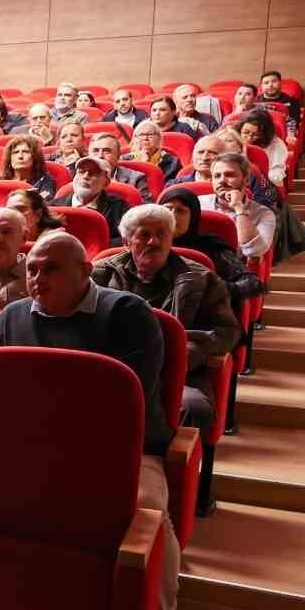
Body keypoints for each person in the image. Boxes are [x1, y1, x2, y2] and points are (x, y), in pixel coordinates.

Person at [0, 231, 183, 610]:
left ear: (85, 272)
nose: (37, 278)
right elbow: (1, 391)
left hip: (124, 446)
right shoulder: (11, 316)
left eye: (51, 269)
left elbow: (124, 399)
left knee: (145, 510)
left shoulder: (126, 314)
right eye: (32, 268)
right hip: (39, 446)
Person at [91, 204, 240, 435]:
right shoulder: (100, 273)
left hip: (174, 373)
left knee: (194, 407)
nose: (153, 242)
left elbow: (226, 330)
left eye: (162, 234)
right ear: (127, 241)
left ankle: (170, 466)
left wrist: (183, 354)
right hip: (113, 369)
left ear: (171, 239)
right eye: (144, 235)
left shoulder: (201, 278)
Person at [159, 188, 264, 310]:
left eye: (181, 211)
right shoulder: (145, 244)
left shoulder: (211, 247)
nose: (172, 215)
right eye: (167, 209)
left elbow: (252, 284)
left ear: (192, 218)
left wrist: (210, 290)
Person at [201, 152, 276, 258]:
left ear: (246, 180)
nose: (222, 180)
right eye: (217, 176)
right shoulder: (198, 204)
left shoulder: (263, 214)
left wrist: (239, 208)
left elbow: (253, 251)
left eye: (230, 175)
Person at [55, 155, 128, 243]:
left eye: (94, 173)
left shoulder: (119, 207)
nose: (85, 176)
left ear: (106, 182)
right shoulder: (54, 206)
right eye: (81, 171)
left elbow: (127, 238)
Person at [237, 109, 292, 188]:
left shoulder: (275, 144)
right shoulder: (231, 138)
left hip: (263, 183)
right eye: (246, 132)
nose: (249, 138)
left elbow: (276, 174)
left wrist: (258, 179)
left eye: (255, 134)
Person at [0, 135, 56, 200]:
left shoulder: (45, 181)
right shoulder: (0, 181)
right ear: (9, 158)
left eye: (26, 152)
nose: (20, 156)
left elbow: (42, 204)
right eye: (15, 152)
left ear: (35, 157)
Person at [128, 121, 179, 187]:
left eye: (150, 135)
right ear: (135, 139)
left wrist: (146, 166)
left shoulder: (173, 163)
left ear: (159, 138)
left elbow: (168, 187)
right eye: (141, 135)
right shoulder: (125, 159)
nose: (145, 138)